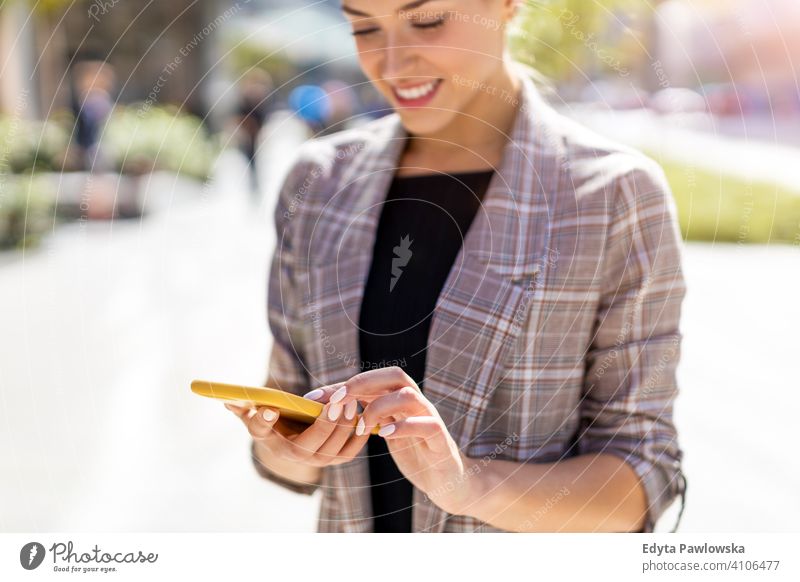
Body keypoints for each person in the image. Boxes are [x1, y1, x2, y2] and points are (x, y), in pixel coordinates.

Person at [226, 0, 687, 533]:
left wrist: (467, 484)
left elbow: (642, 477)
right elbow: (287, 443)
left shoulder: (612, 195)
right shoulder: (320, 186)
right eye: (365, 26)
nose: (393, 64)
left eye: (426, 20)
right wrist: (290, 448)